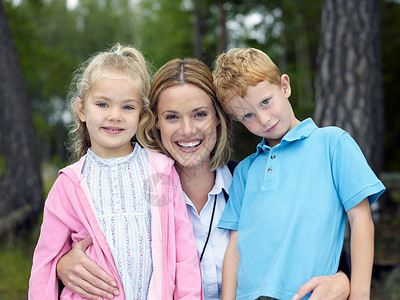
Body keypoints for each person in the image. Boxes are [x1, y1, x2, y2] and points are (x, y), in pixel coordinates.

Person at [56, 58, 351, 300]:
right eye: (172, 117)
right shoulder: (136, 191)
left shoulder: (251, 182)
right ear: (154, 122)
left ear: (219, 119)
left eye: (199, 114)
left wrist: (343, 278)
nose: (187, 130)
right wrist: (61, 265)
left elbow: (309, 238)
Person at [28, 44, 202, 300]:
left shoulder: (159, 172)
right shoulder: (70, 184)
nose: (115, 115)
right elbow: (45, 262)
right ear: (82, 110)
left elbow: (183, 250)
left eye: (128, 107)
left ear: (142, 116)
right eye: (102, 104)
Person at [212, 47, 386, 300]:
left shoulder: (332, 143)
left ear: (284, 86)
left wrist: (359, 294)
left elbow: (360, 220)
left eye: (265, 102)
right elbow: (235, 247)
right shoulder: (245, 172)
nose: (263, 118)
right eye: (248, 115)